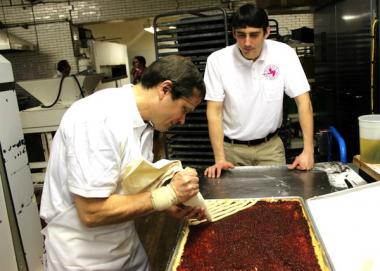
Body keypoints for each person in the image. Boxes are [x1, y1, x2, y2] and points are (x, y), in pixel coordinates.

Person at [40, 55, 206, 270]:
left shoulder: (145, 122)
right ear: (165, 90)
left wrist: (167, 205)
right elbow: (91, 212)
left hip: (125, 245)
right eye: (184, 109)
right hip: (83, 257)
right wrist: (168, 194)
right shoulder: (96, 119)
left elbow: (128, 183)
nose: (182, 120)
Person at [204, 3, 314, 178]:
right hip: (232, 150)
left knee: (277, 200)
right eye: (241, 35)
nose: (247, 42)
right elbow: (214, 112)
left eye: (254, 35)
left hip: (270, 148)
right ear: (233, 33)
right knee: (236, 203)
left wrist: (308, 151)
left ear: (267, 32)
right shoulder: (217, 61)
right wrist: (219, 158)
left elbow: (303, 103)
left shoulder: (284, 54)